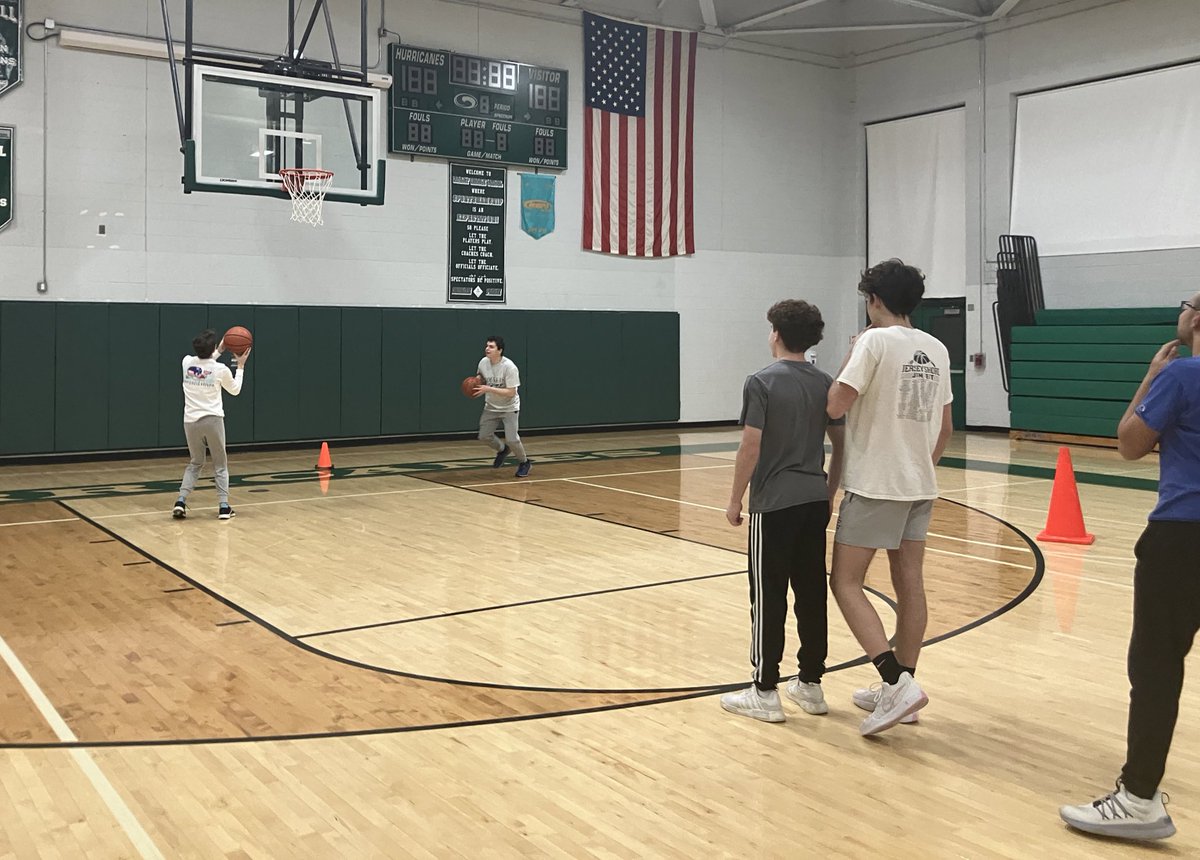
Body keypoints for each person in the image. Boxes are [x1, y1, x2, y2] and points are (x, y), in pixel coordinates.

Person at [1059, 295, 1200, 841]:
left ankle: (1139, 797)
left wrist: (1151, 377)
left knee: (1157, 667)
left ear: (1194, 319)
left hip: (1182, 536)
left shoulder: (1181, 375)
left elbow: (1128, 443)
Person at [825, 259, 953, 736]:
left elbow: (836, 402)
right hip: (920, 484)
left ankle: (894, 682)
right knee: (910, 583)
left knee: (846, 583)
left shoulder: (873, 341)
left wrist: (850, 354)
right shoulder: (936, 347)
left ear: (873, 300)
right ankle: (905, 689)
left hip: (876, 483)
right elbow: (945, 428)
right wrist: (918, 466)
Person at [720, 300, 845, 723]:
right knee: (811, 593)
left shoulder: (761, 381)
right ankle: (810, 684)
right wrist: (829, 490)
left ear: (775, 332)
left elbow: (750, 445)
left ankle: (764, 689)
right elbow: (842, 444)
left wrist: (737, 498)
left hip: (774, 504)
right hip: (813, 500)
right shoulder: (826, 382)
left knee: (768, 596)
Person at [172, 330, 250, 521]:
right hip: (213, 421)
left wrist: (219, 349)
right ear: (214, 348)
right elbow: (235, 390)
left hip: (190, 422)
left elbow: (204, 364)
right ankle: (224, 507)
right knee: (220, 465)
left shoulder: (186, 362)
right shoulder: (221, 369)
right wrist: (240, 366)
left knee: (196, 462)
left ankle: (181, 501)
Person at [474, 336, 532, 478]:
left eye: (491, 346)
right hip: (491, 406)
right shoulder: (483, 362)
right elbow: (479, 379)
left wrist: (489, 389)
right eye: (487, 346)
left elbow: (511, 392)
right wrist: (475, 386)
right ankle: (502, 449)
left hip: (509, 408)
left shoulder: (509, 367)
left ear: (499, 350)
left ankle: (524, 462)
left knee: (512, 439)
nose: (487, 349)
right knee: (483, 436)